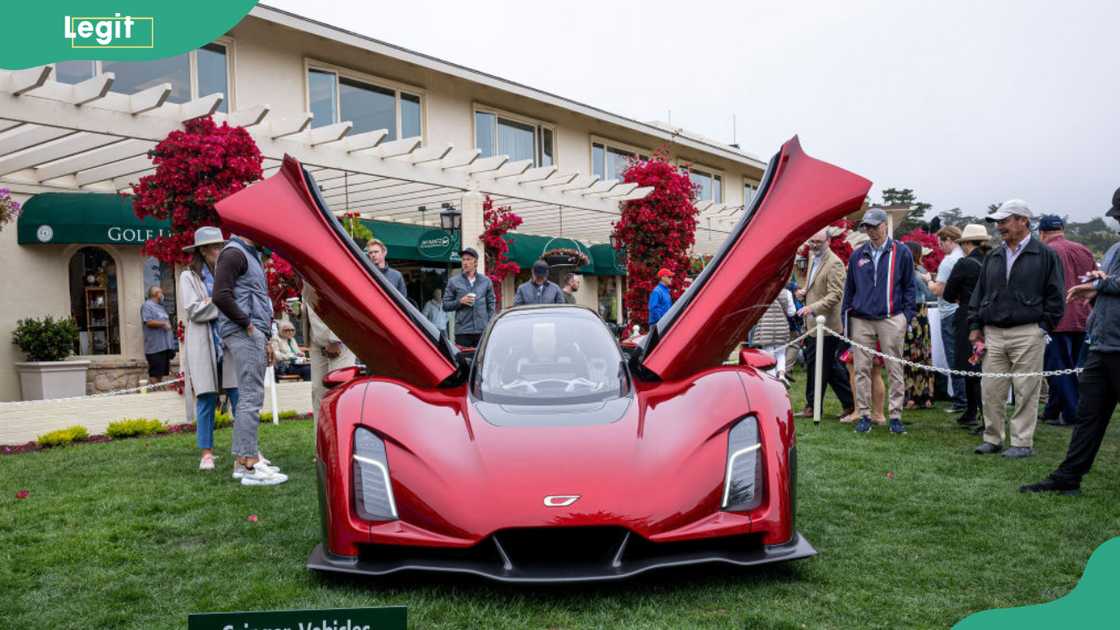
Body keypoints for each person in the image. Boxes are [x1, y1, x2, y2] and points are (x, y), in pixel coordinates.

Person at [1021, 188, 1120, 494]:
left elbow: (1111, 283)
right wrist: (1093, 287)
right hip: (1102, 342)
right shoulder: (1115, 249)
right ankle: (1069, 475)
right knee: (1088, 417)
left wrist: (1101, 284)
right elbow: (1105, 282)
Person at [969, 200, 1065, 458]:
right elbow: (980, 293)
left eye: (1004, 221)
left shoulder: (1045, 255)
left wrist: (1043, 328)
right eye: (998, 222)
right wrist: (976, 325)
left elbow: (1056, 296)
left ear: (1023, 220)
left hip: (1028, 331)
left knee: (1026, 390)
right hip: (993, 332)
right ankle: (992, 437)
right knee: (990, 390)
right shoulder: (994, 256)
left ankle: (1022, 442)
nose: (999, 226)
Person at [213, 233, 288, 486]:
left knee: (249, 396)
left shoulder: (249, 254)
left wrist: (264, 337)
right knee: (251, 397)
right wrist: (249, 327)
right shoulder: (235, 253)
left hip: (252, 332)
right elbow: (220, 296)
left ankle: (242, 461)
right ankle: (249, 464)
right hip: (244, 331)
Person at [841, 208, 917, 434]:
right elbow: (850, 288)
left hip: (891, 318)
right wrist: (848, 315)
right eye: (867, 227)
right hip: (862, 319)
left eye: (875, 226)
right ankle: (864, 414)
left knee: (894, 368)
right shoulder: (858, 254)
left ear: (885, 225)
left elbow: (909, 287)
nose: (871, 231)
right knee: (861, 369)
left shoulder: (901, 252)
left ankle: (895, 416)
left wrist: (906, 316)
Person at [179, 227, 239, 472]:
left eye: (221, 246)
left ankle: (247, 449)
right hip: (204, 345)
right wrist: (222, 300)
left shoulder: (229, 274)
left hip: (227, 343)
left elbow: (236, 302)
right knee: (206, 397)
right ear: (202, 251)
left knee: (238, 396)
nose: (220, 251)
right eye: (215, 247)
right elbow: (193, 310)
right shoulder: (188, 277)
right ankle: (206, 454)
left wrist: (212, 302)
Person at [1037, 214, 1097, 426]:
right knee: (1071, 367)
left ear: (1042, 232)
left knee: (1058, 368)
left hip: (1058, 319)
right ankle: (1052, 410)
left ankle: (1073, 413)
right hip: (1083, 316)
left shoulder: (1046, 251)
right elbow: (1094, 282)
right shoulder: (1083, 250)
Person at [795, 229, 854, 418]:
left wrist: (812, 307)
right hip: (815, 324)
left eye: (818, 242)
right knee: (827, 367)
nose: (814, 245)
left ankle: (813, 406)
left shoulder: (835, 263)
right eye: (812, 241)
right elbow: (815, 285)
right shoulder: (814, 257)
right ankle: (850, 403)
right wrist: (805, 290)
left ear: (828, 241)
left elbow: (836, 294)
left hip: (827, 326)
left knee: (819, 366)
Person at [942, 224, 991, 431]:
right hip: (990, 317)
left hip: (968, 317)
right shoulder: (993, 260)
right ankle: (976, 412)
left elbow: (948, 294)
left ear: (968, 243)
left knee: (971, 367)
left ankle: (976, 413)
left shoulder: (964, 264)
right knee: (984, 369)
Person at [302, 283, 356, 423]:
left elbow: (343, 301)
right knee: (318, 392)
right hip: (316, 340)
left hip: (340, 341)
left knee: (339, 393)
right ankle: (320, 442)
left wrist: (335, 339)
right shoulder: (303, 271)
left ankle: (341, 440)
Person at [928, 225, 967, 411]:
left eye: (941, 243)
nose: (940, 247)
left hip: (949, 312)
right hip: (962, 311)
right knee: (965, 356)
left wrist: (928, 280)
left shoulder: (948, 261)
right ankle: (967, 399)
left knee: (953, 356)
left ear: (950, 240)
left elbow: (940, 290)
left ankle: (960, 400)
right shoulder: (964, 257)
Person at [904, 242, 937, 409]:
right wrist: (930, 280)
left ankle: (911, 396)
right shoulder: (920, 273)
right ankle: (923, 395)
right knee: (920, 354)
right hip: (919, 314)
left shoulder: (903, 271)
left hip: (909, 313)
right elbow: (932, 294)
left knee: (909, 355)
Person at [443, 247, 496, 348]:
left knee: (481, 361)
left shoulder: (486, 281)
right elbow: (445, 305)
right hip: (462, 331)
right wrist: (460, 302)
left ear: (475, 262)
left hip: (482, 331)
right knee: (463, 361)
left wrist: (489, 324)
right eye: (463, 259)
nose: (465, 262)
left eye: (468, 259)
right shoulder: (453, 281)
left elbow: (491, 304)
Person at [749, 288, 795, 383]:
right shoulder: (787, 293)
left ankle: (772, 378)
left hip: (766, 328)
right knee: (781, 353)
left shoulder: (762, 291)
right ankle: (781, 375)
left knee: (769, 354)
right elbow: (792, 312)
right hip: (782, 327)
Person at [141, 285, 178, 384]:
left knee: (161, 374)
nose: (163, 295)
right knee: (155, 374)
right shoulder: (147, 306)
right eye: (161, 293)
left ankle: (158, 394)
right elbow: (148, 322)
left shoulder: (161, 307)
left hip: (164, 347)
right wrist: (163, 323)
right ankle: (154, 396)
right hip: (154, 348)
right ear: (156, 294)